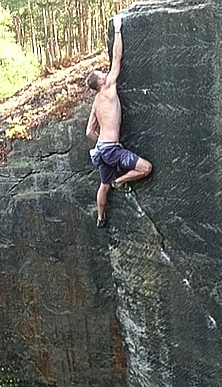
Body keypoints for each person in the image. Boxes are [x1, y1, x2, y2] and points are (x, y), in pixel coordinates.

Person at [85, 15, 152, 228]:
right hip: (112, 149)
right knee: (146, 168)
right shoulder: (109, 87)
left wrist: (101, 142)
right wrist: (117, 30)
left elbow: (89, 132)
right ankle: (120, 181)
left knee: (102, 185)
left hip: (102, 150)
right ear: (101, 82)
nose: (105, 73)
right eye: (101, 74)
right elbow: (117, 56)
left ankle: (100, 218)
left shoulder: (95, 103)